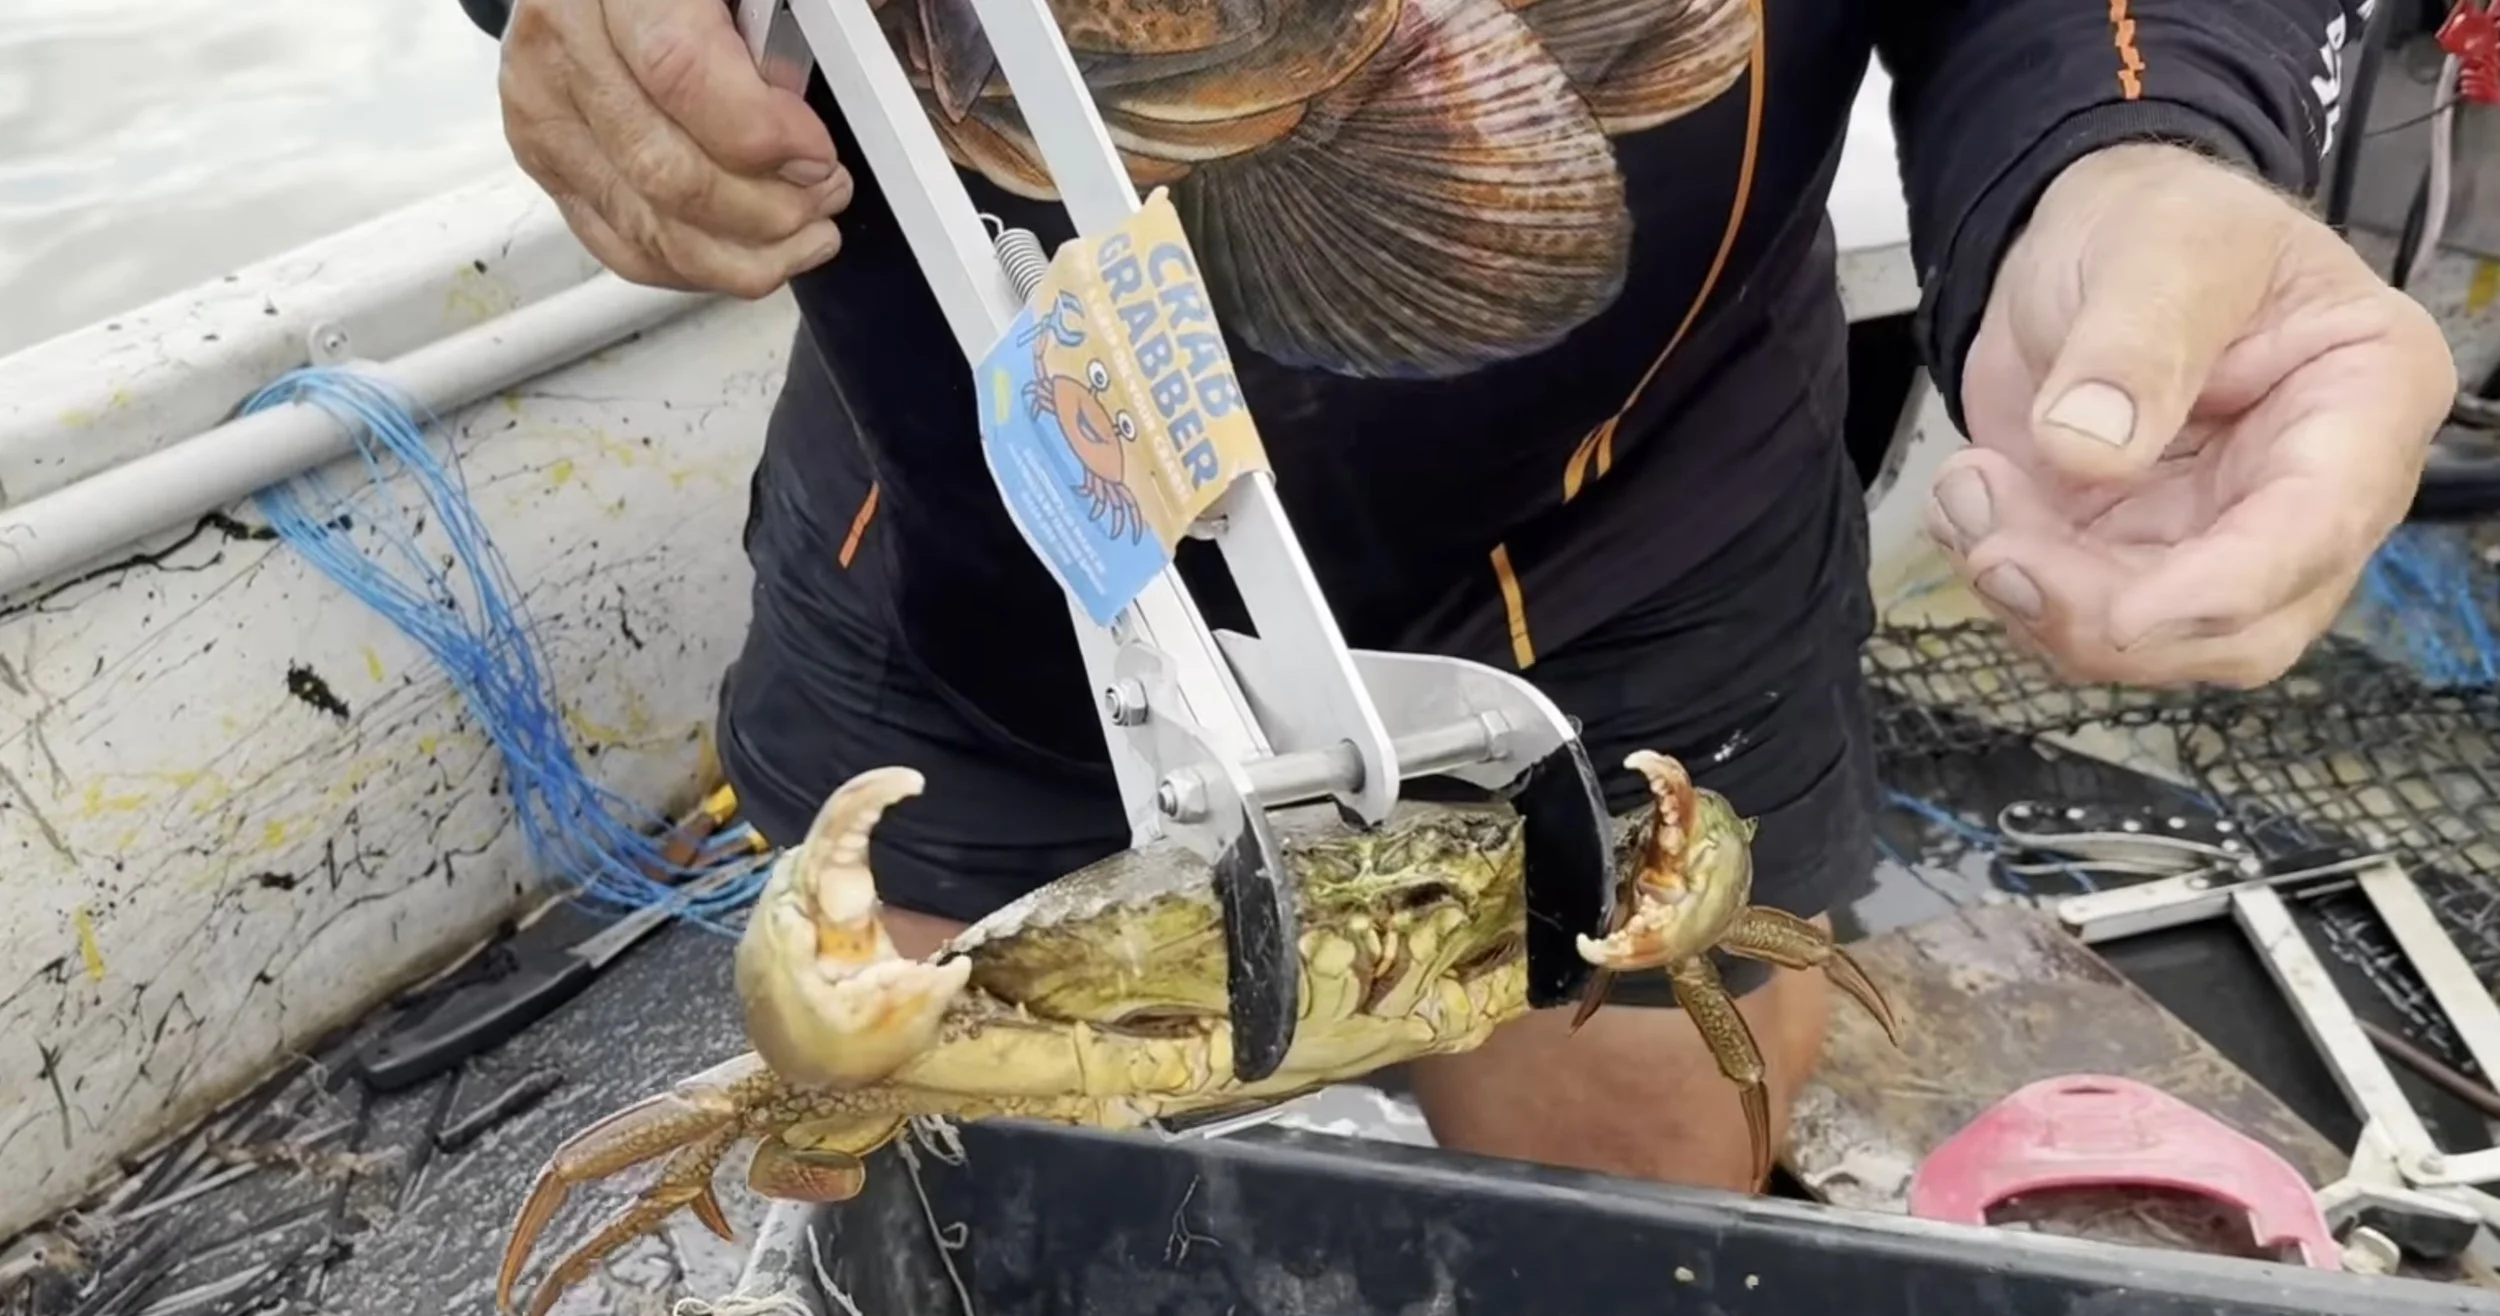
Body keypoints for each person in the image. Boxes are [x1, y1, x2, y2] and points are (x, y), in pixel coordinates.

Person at [487, 0, 2457, 1193]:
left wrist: (2128, 157)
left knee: (1638, 1168)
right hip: (984, 537)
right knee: (913, 1149)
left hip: (1642, 502)